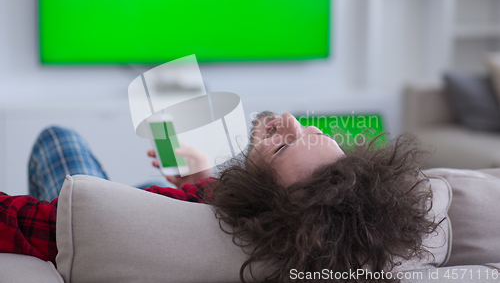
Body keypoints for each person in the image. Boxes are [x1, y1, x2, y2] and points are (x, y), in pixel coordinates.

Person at [0, 111, 436, 283]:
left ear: (271, 204)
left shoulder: (140, 220)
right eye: (310, 131)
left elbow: (21, 220)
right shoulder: (276, 228)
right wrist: (202, 176)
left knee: (59, 138)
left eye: (285, 144)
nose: (288, 119)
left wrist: (192, 189)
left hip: (94, 206)